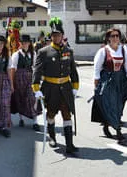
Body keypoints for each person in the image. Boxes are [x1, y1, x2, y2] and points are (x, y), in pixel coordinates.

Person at [32, 17, 79, 154]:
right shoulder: (43, 52)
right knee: (51, 114)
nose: (56, 37)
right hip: (50, 88)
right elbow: (37, 71)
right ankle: (52, 137)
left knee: (67, 115)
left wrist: (75, 87)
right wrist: (36, 89)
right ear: (51, 37)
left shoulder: (68, 51)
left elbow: (73, 71)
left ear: (62, 36)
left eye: (58, 35)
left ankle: (69, 144)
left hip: (65, 88)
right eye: (54, 35)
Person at [91, 28, 127, 144]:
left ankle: (107, 124)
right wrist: (96, 85)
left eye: (117, 36)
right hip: (108, 80)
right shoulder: (103, 51)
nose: (115, 38)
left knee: (119, 105)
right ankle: (118, 131)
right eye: (113, 36)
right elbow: (96, 69)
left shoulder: (123, 49)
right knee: (110, 104)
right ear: (108, 38)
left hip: (120, 80)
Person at [10, 34, 41, 131]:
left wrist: (37, 80)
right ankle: (21, 119)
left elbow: (36, 68)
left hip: (30, 78)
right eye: (23, 43)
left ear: (29, 43)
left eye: (26, 42)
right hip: (19, 79)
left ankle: (35, 121)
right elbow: (12, 70)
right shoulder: (16, 54)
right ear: (20, 43)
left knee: (32, 99)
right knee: (20, 98)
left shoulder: (33, 54)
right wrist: (12, 84)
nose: (24, 44)